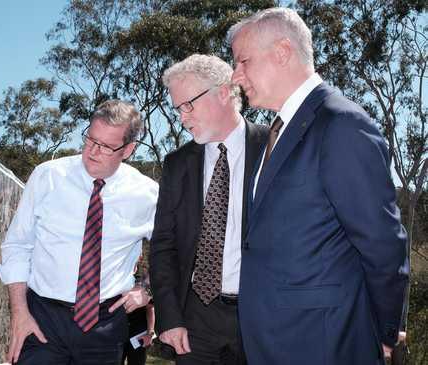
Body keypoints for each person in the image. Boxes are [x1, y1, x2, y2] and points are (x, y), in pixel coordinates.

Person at [228, 7, 409, 365]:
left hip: (324, 344)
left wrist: (383, 331)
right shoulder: (277, 133)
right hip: (274, 341)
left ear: (282, 52)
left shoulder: (341, 125)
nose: (235, 76)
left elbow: (382, 244)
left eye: (242, 61)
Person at [0, 100, 158, 364]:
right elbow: (17, 245)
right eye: (90, 139)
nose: (93, 152)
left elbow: (174, 250)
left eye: (106, 146)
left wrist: (148, 291)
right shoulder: (47, 176)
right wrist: (19, 314)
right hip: (42, 320)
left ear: (128, 149)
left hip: (106, 326)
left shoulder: (147, 194)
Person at [149, 54, 268, 365]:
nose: (183, 117)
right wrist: (170, 317)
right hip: (195, 322)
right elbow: (163, 246)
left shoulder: (274, 146)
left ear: (224, 91)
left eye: (189, 104)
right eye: (178, 109)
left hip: (262, 318)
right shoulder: (177, 164)